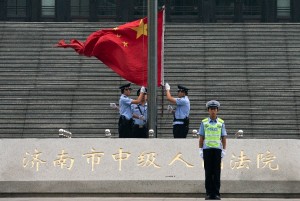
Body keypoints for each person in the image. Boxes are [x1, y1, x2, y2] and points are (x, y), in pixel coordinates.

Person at [198, 100, 227, 200]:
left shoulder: (221, 122)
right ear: (208, 110)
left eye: (215, 109)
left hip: (217, 150)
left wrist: (224, 150)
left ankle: (216, 193)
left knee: (217, 172)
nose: (213, 111)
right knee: (208, 172)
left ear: (217, 110)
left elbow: (223, 137)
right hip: (207, 150)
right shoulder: (204, 122)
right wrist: (200, 149)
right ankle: (209, 193)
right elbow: (201, 137)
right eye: (211, 109)